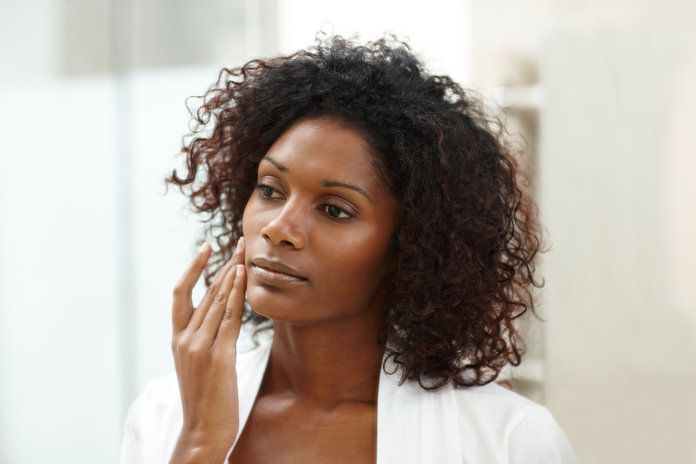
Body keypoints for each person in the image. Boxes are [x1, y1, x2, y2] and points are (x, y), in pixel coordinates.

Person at [119, 33, 576, 463]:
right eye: (271, 189)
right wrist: (200, 440)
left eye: (335, 210)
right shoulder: (164, 415)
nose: (279, 228)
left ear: (410, 245)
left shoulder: (505, 440)